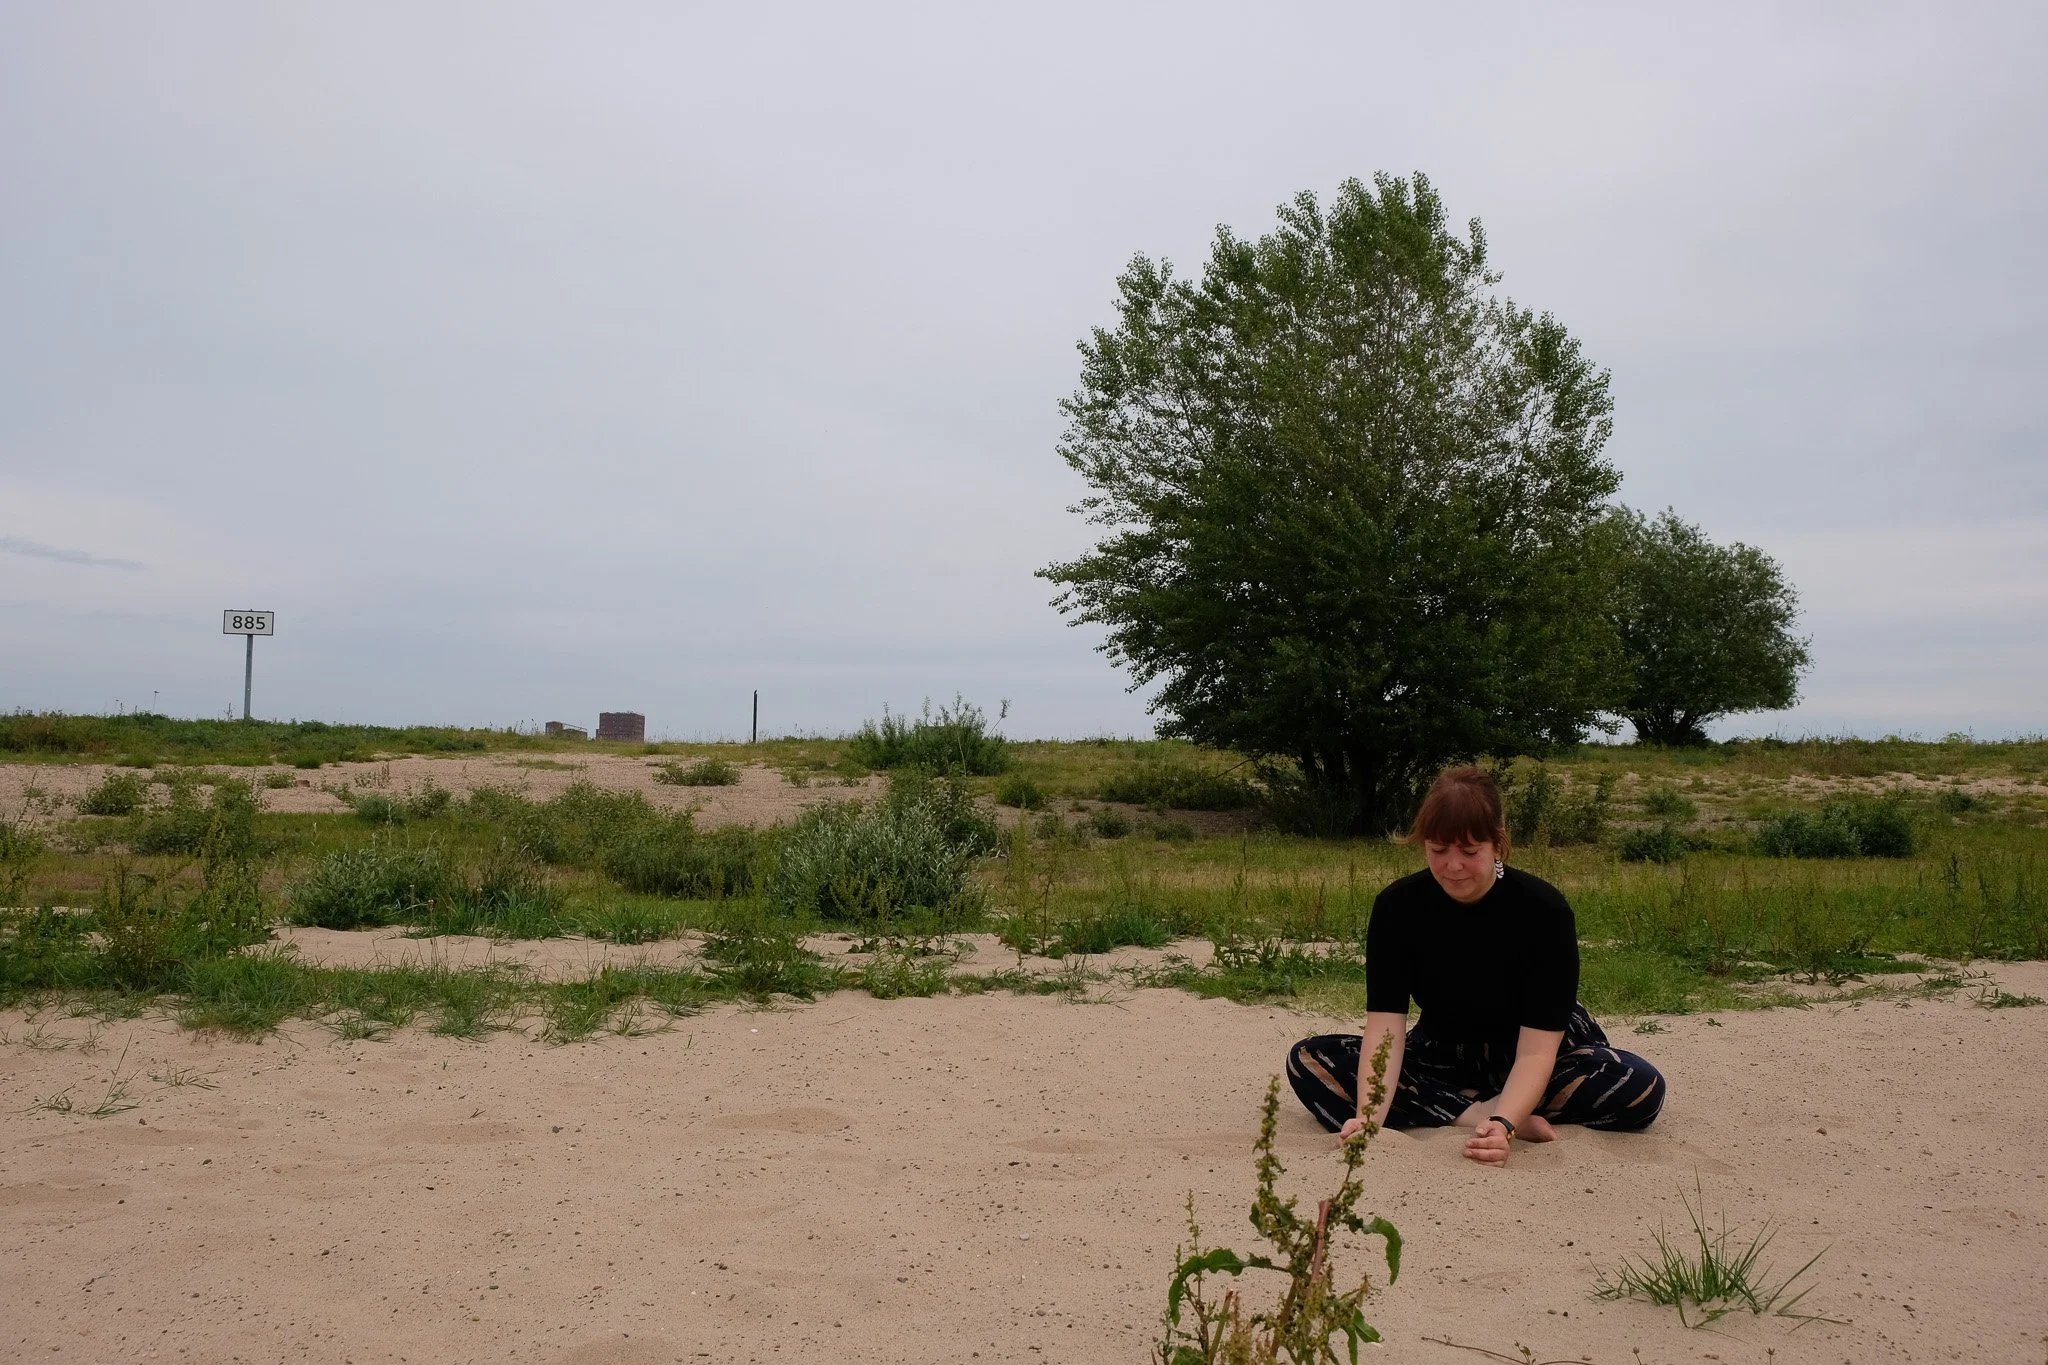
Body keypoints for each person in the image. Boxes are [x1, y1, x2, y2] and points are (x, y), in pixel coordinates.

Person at [1285, 766, 1665, 1165]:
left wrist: (1504, 1124)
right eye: (1438, 850)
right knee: (1309, 1061)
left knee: (1641, 1087)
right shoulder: (1397, 907)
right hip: (1442, 1049)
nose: (1452, 866)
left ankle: (1477, 1108)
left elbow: (1538, 1051)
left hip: (1535, 1047)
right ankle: (1469, 1112)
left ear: (1497, 845)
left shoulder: (1544, 910)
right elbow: (1385, 1027)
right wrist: (1369, 1120)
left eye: (1469, 852)